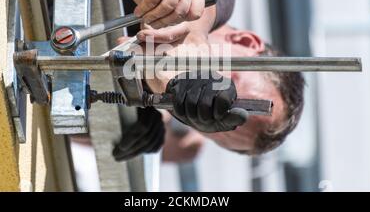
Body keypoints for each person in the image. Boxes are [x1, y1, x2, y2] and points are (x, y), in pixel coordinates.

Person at [112, 24, 305, 161]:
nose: (207, 101)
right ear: (246, 42)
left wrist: (121, 126)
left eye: (207, 122)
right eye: (230, 84)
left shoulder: (150, 104)